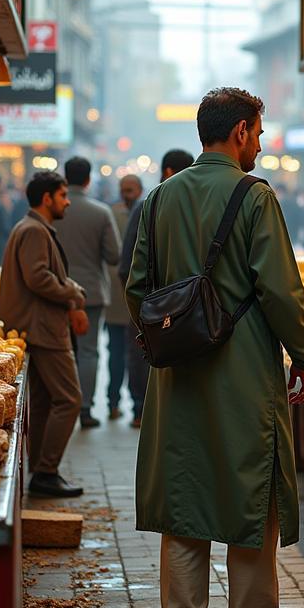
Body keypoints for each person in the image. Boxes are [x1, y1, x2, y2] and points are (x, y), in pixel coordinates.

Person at [125, 87, 304, 608]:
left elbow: (138, 288)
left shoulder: (159, 199)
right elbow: (280, 290)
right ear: (239, 131)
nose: (260, 145)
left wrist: (175, 334)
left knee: (182, 513)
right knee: (249, 510)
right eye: (259, 134)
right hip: (242, 382)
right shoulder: (253, 196)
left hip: (178, 381)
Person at [0, 171, 89, 498]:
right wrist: (74, 293)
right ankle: (47, 471)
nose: (67, 201)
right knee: (69, 398)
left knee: (45, 400)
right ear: (47, 198)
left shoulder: (33, 228)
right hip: (43, 328)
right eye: (63, 195)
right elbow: (38, 278)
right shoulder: (34, 231)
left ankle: (40, 470)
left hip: (35, 326)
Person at [119, 149, 194, 428]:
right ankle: (140, 409)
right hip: (160, 306)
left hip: (171, 305)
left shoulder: (169, 205)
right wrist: (142, 313)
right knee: (143, 358)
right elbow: (127, 266)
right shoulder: (150, 205)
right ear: (169, 173)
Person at [53, 157, 122, 429]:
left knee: (60, 350)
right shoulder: (100, 212)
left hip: (55, 291)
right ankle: (84, 409)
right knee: (88, 352)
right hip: (91, 293)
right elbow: (114, 255)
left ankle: (61, 405)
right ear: (88, 179)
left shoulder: (51, 211)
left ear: (65, 178)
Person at [105, 174, 143, 420]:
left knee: (137, 355)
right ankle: (113, 402)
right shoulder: (111, 214)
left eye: (130, 190)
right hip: (116, 300)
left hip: (138, 301)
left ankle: (137, 405)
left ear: (139, 190)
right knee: (115, 352)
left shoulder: (148, 211)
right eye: (123, 189)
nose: (125, 194)